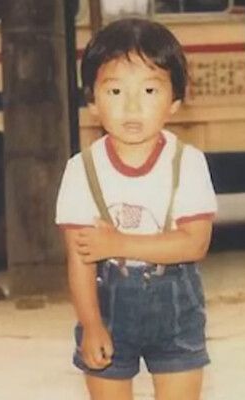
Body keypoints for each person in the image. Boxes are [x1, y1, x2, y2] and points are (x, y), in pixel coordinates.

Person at [55, 18, 217, 400]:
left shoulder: (187, 162)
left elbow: (194, 244)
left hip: (176, 305)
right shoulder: (82, 169)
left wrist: (117, 243)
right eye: (114, 91)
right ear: (92, 101)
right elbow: (79, 259)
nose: (131, 105)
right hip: (107, 305)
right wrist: (91, 325)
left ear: (174, 101)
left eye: (149, 90)